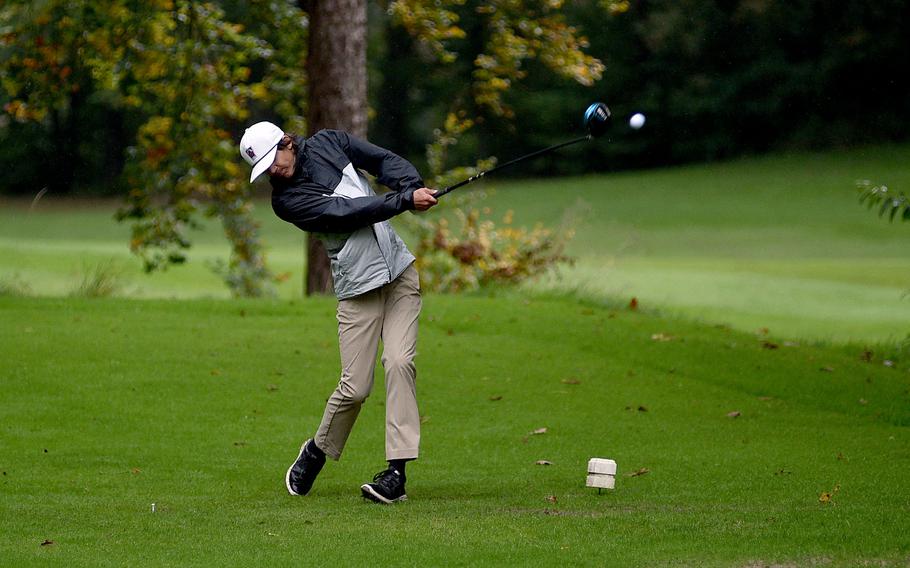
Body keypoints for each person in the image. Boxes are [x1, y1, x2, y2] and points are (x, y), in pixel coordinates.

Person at [239, 121, 438, 504]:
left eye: (272, 161)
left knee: (399, 363)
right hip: (358, 289)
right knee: (356, 387)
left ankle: (396, 473)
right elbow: (347, 212)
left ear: (287, 142)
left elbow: (380, 160)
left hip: (399, 274)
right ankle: (316, 449)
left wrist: (410, 186)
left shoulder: (329, 142)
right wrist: (403, 202)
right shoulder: (287, 202)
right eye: (263, 170)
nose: (272, 172)